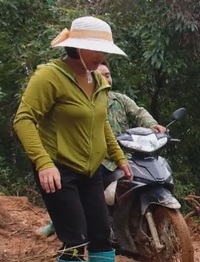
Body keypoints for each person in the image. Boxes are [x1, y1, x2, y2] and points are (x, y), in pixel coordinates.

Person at [13, 16, 136, 262]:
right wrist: (43, 162)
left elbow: (102, 123)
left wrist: (119, 157)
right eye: (98, 51)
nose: (104, 58)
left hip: (91, 169)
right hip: (59, 169)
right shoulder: (50, 77)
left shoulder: (98, 80)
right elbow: (24, 119)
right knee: (75, 234)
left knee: (99, 229)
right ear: (78, 46)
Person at [35, 63, 166, 237]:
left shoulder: (120, 100)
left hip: (123, 155)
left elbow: (139, 112)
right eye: (101, 75)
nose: (106, 78)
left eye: (108, 74)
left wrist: (152, 125)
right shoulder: (82, 102)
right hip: (96, 159)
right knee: (78, 194)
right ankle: (57, 223)